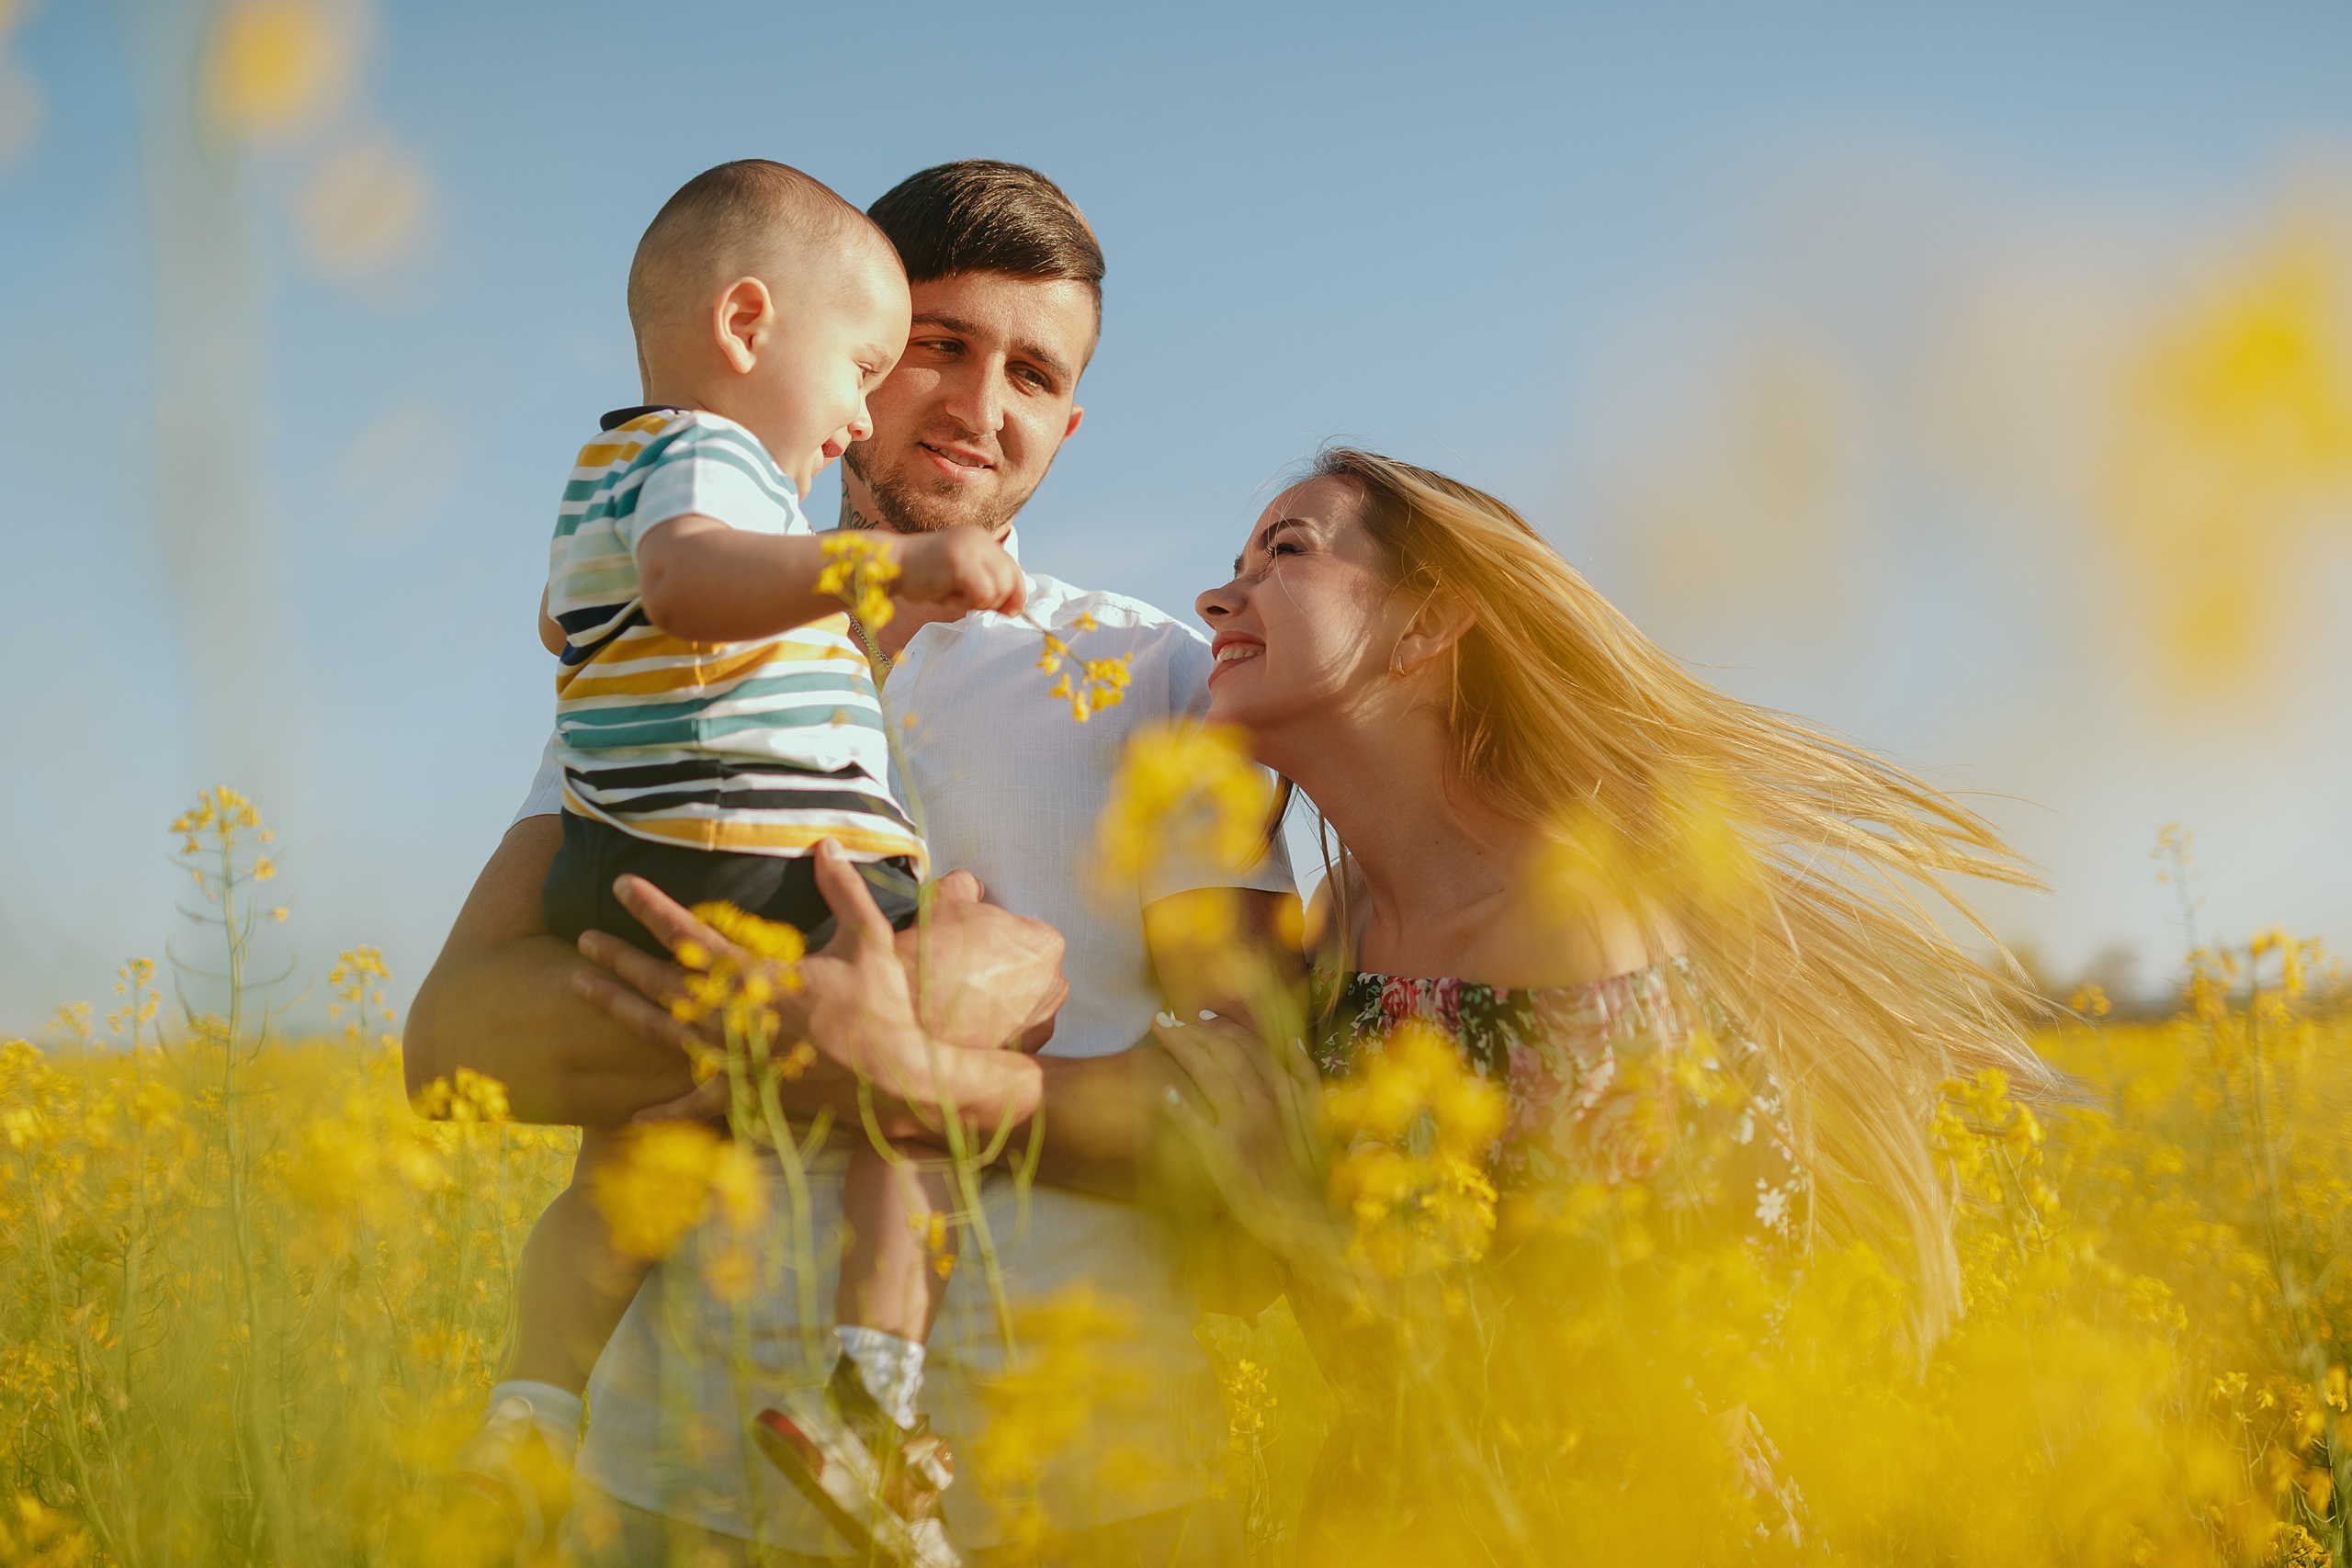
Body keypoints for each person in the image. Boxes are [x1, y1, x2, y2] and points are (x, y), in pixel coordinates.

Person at [406, 161, 1290, 1567]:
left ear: (1072, 418)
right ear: (842, 348)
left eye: (1032, 373)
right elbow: (453, 1041)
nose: (979, 406)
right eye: (936, 347)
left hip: (1086, 1494)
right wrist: (816, 1025)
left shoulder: (1159, 675)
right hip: (674, 1483)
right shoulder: (675, 632)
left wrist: (916, 1065)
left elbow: (1255, 1105)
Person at [1151, 448, 2055, 1561]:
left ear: (1428, 628)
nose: (1216, 595)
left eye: (1284, 553)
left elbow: (1619, 1357)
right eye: (1232, 562)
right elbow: (1266, 1277)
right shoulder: (1339, 922)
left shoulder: (1570, 921)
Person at [482, 157, 1035, 1563]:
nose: (857, 412)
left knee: (619, 1170)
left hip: (627, 855)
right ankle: (868, 1399)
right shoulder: (714, 461)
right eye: (870, 365)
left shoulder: (602, 460)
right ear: (746, 325)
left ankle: (531, 1414)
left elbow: (576, 627)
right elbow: (683, 580)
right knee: (906, 1084)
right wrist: (887, 574)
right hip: (753, 856)